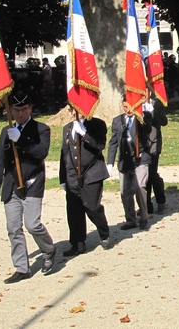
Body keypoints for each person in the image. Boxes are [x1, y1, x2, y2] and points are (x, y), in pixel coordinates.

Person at [0, 90, 56, 283]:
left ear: (30, 109)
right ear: (11, 110)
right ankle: (21, 267)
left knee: (33, 224)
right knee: (13, 228)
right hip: (11, 185)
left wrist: (22, 140)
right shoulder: (6, 131)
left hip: (32, 182)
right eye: (16, 110)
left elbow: (41, 152)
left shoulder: (41, 129)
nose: (20, 114)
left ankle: (49, 250)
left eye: (23, 109)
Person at [60, 107, 111, 256]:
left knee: (92, 207)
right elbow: (65, 154)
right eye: (73, 110)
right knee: (74, 210)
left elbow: (100, 145)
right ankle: (78, 244)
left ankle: (104, 232)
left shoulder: (97, 124)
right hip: (72, 176)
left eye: (79, 109)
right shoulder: (67, 129)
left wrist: (84, 134)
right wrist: (63, 178)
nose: (76, 112)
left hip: (92, 173)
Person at [107, 96, 154, 230]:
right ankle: (130, 219)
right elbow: (113, 143)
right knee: (125, 191)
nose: (128, 110)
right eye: (125, 107)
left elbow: (147, 130)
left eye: (130, 106)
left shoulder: (142, 118)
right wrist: (109, 163)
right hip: (125, 160)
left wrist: (145, 116)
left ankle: (143, 217)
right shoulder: (117, 120)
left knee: (140, 187)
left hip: (140, 159)